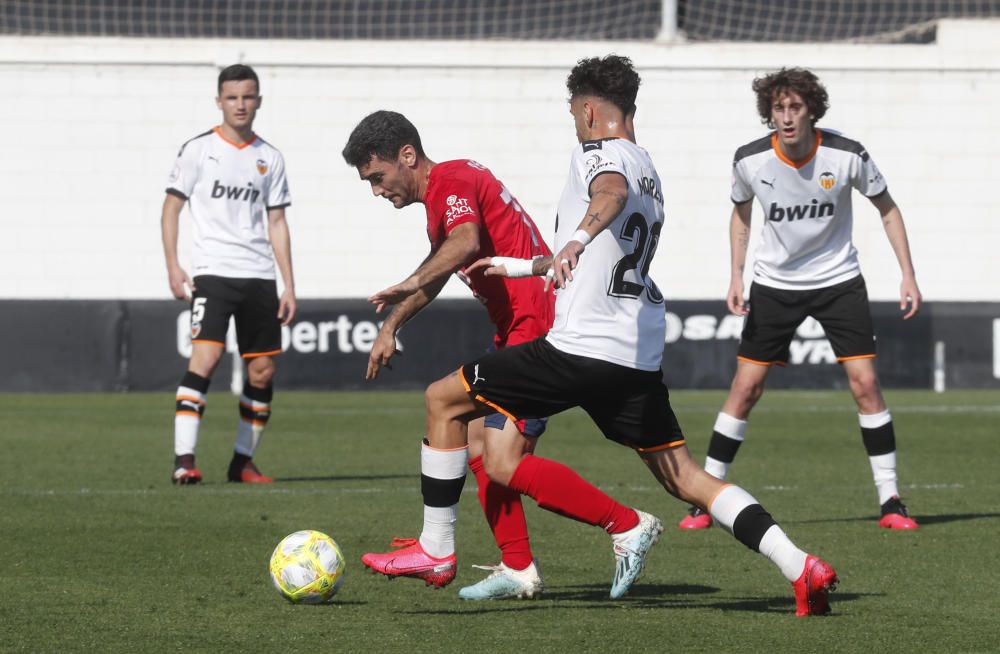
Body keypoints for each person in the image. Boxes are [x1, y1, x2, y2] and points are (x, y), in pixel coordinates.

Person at [362, 55, 838, 615]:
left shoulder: (599, 155)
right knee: (687, 477)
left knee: (443, 401)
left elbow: (605, 196)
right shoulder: (649, 170)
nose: (573, 120)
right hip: (631, 352)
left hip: (576, 347)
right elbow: (609, 240)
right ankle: (800, 564)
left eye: (572, 111)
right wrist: (529, 266)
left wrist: (577, 238)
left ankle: (437, 550)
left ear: (588, 109)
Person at [678, 67, 921, 532]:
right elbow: (741, 216)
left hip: (838, 281)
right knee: (745, 389)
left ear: (812, 110)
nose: (786, 118)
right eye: (778, 109)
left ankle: (891, 501)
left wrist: (907, 274)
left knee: (866, 384)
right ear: (769, 114)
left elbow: (887, 209)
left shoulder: (847, 154)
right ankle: (703, 497)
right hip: (775, 285)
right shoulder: (749, 160)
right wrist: (736, 275)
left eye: (795, 107)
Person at [341, 110, 555, 599]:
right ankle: (517, 567)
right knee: (480, 448)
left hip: (537, 330)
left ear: (408, 156)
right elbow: (440, 270)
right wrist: (391, 325)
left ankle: (623, 525)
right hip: (520, 330)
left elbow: (464, 243)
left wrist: (411, 281)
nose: (376, 190)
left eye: (377, 177)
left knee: (458, 416)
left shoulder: (452, 181)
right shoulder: (443, 197)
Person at [161, 64, 296, 485]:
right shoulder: (198, 150)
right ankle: (184, 460)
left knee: (262, 371)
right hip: (213, 272)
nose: (241, 104)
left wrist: (289, 283)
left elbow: (277, 223)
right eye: (233, 97)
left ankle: (242, 462)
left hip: (259, 276)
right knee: (207, 357)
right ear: (219, 101)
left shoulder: (269, 157)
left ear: (259, 100)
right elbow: (171, 209)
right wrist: (173, 264)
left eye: (248, 96)